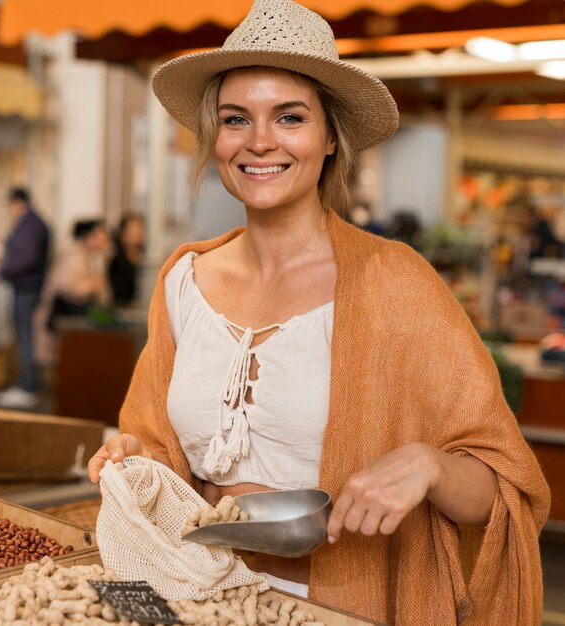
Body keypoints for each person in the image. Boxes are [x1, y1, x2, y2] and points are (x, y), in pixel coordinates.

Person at [88, 1, 550, 623]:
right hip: (191, 597)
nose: (259, 141)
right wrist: (130, 460)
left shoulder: (396, 284)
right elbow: (159, 451)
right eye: (235, 119)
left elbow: (505, 490)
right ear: (214, 138)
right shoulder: (182, 281)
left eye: (289, 117)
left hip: (335, 608)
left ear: (331, 137)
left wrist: (433, 467)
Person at [0, 187, 49, 409]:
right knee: (25, 335)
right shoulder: (34, 223)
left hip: (26, 288)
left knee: (25, 336)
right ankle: (25, 384)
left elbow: (28, 257)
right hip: (27, 287)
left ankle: (27, 387)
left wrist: (3, 271)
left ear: (16, 202)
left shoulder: (30, 224)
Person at [43, 219, 111, 330]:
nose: (104, 240)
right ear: (88, 236)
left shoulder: (88, 255)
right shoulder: (75, 255)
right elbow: (68, 286)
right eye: (100, 235)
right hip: (68, 313)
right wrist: (93, 285)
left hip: (74, 313)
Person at [108, 214, 145, 306]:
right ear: (122, 234)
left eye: (139, 230)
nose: (136, 235)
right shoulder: (117, 262)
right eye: (131, 231)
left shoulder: (147, 260)